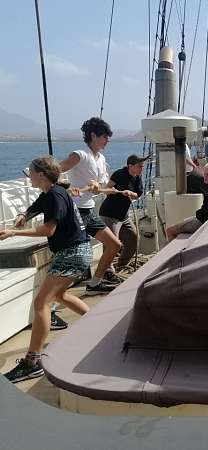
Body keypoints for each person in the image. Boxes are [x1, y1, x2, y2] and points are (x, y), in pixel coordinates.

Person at [1, 157, 91, 383]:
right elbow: (36, 206)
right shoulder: (51, 192)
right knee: (59, 295)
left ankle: (32, 362)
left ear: (41, 174)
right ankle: (98, 323)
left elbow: (49, 230)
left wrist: (13, 232)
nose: (27, 175)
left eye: (30, 172)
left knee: (42, 303)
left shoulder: (55, 195)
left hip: (72, 253)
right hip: (77, 251)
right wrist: (23, 215)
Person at [58, 117, 122, 295]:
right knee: (72, 258)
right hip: (74, 211)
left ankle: (95, 283)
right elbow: (55, 171)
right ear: (93, 135)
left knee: (114, 245)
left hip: (88, 210)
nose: (107, 140)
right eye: (104, 136)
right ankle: (52, 301)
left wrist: (120, 192)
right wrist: (68, 187)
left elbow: (102, 187)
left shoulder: (100, 158)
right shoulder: (80, 155)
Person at [98, 154, 147, 272]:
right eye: (140, 166)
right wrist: (119, 192)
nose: (142, 169)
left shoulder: (137, 177)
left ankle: (121, 265)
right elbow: (107, 190)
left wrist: (130, 193)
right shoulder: (119, 174)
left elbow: (137, 194)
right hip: (110, 215)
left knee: (133, 238)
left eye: (142, 166)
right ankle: (107, 271)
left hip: (123, 216)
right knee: (112, 244)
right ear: (130, 166)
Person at [166, 162, 208, 240]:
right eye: (204, 174)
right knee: (184, 221)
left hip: (205, 223)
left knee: (170, 230)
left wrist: (197, 213)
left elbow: (206, 215)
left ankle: (171, 252)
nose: (205, 177)